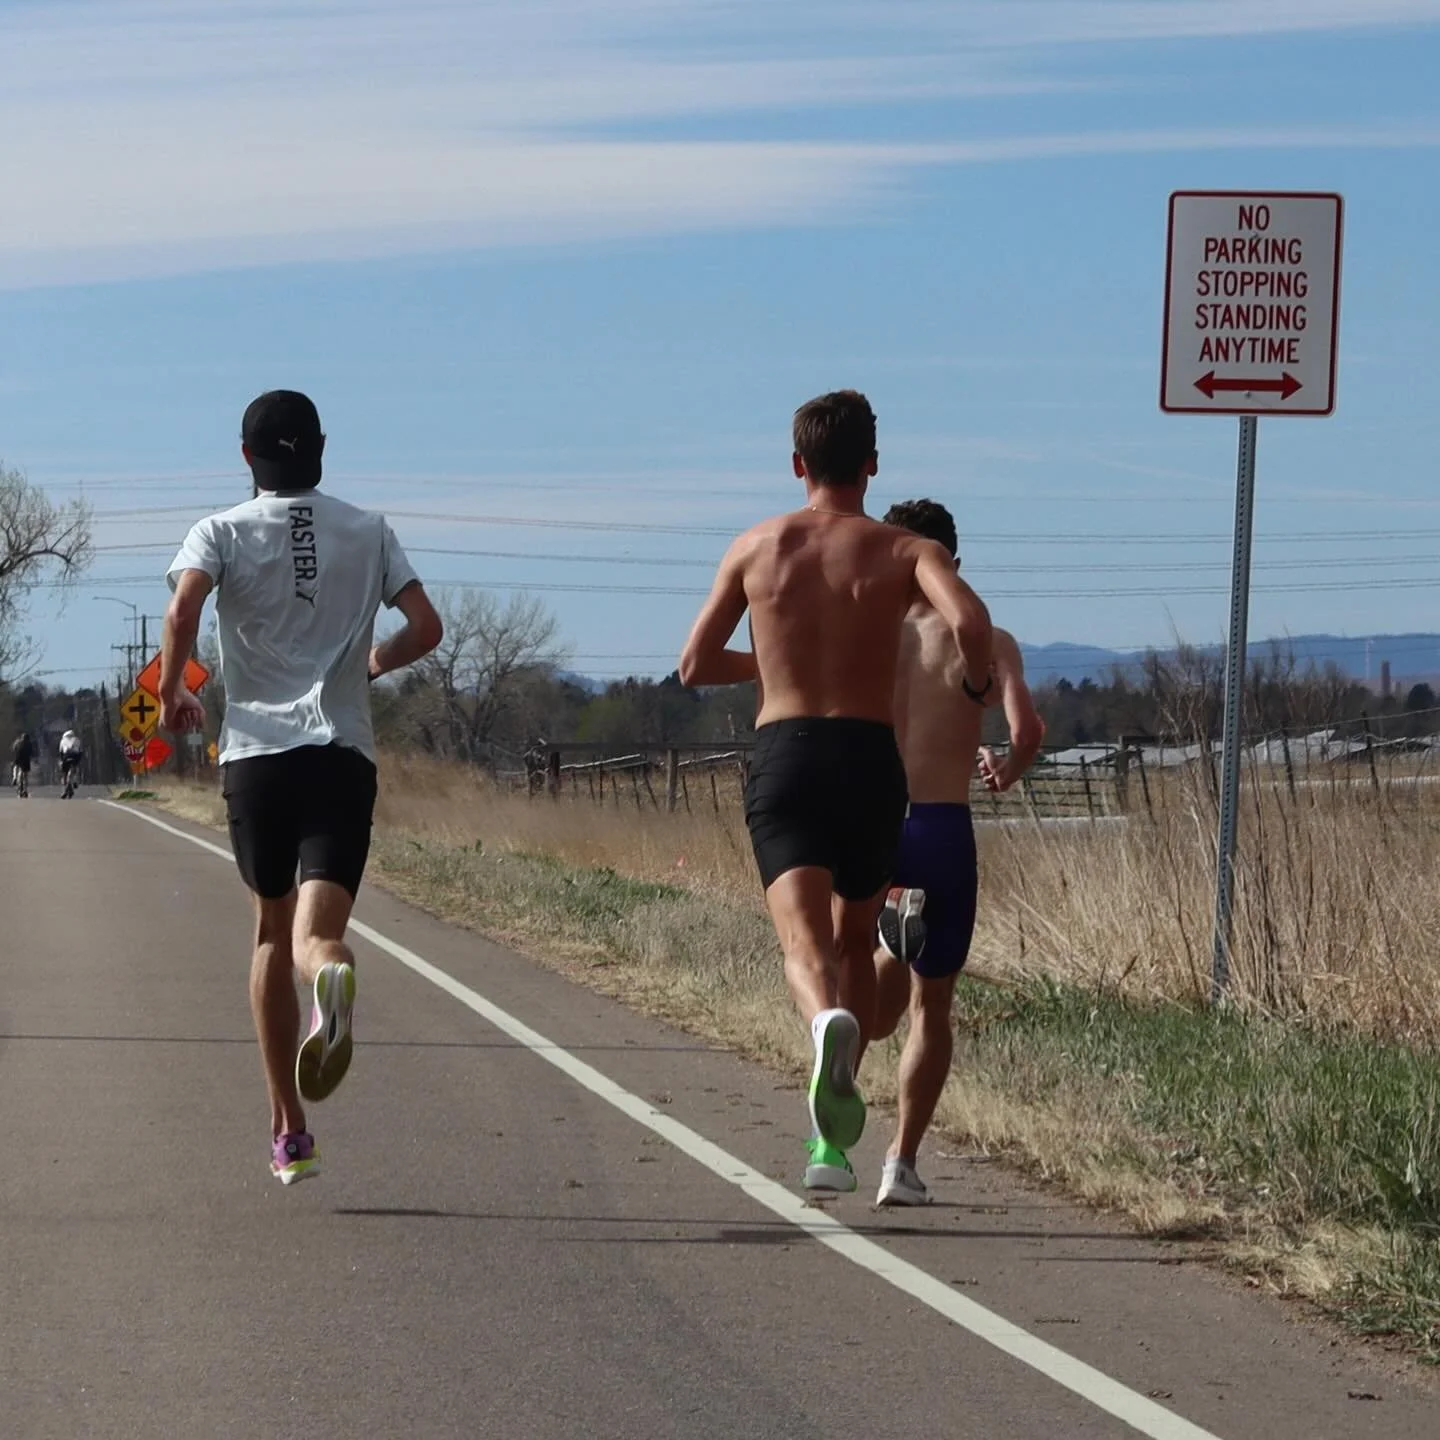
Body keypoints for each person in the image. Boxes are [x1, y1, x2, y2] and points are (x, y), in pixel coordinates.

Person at [679, 391, 993, 1193]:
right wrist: (981, 677)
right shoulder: (904, 549)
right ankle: (834, 1141)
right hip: (869, 762)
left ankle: (825, 1028)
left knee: (802, 944)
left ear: (797, 465)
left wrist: (776, 665)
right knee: (858, 939)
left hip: (787, 754)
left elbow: (693, 666)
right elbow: (968, 619)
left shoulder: (756, 546)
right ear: (871, 465)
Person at [159, 389, 443, 1186]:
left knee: (266, 935)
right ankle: (331, 976)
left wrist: (175, 688)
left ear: (247, 457)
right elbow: (427, 628)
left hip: (256, 756)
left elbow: (185, 605)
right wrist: (373, 663)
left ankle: (290, 1130)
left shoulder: (218, 529)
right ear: (321, 448)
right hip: (340, 755)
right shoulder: (369, 529)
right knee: (317, 937)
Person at [869, 499, 1045, 1206]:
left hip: (880, 821)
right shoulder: (989, 638)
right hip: (944, 822)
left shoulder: (869, 639)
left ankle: (888, 940)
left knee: (871, 1005)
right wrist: (1006, 770)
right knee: (931, 1006)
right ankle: (900, 1164)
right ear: (952, 566)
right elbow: (1026, 728)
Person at [58, 729, 84, 795]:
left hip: (66, 756)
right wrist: (79, 759)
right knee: (74, 770)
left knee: (64, 774)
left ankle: (64, 789)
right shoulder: (77, 740)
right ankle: (75, 781)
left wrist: (61, 760)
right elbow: (80, 751)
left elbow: (60, 752)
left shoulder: (62, 740)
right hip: (75, 756)